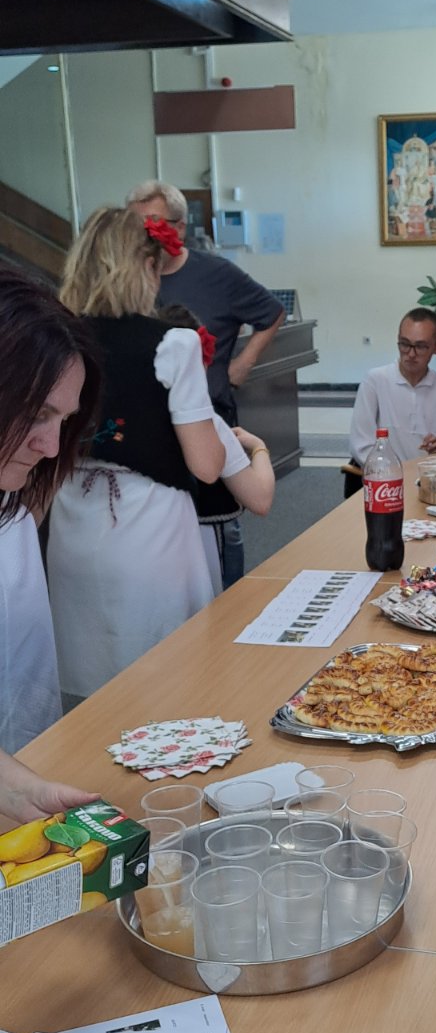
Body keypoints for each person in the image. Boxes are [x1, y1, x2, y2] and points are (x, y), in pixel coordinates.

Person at [46, 207, 237, 702]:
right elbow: (206, 465)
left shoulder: (56, 339)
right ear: (145, 266)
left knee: (92, 682)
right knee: (168, 677)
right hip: (148, 528)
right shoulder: (172, 343)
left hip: (72, 521)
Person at [126, 181, 285, 587]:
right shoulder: (127, 285)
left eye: (152, 224)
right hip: (150, 429)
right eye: (134, 225)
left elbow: (271, 312)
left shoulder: (217, 274)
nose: (142, 235)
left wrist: (243, 362)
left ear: (178, 228)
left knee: (217, 529)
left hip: (209, 419)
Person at [0, 268, 103, 819]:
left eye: (64, 419)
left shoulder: (11, 501)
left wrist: (18, 789)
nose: (51, 445)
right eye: (38, 413)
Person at [349, 307, 436, 467]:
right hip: (387, 476)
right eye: (405, 344)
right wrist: (392, 473)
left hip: (429, 476)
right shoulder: (375, 381)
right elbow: (361, 446)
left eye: (420, 346)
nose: (411, 354)